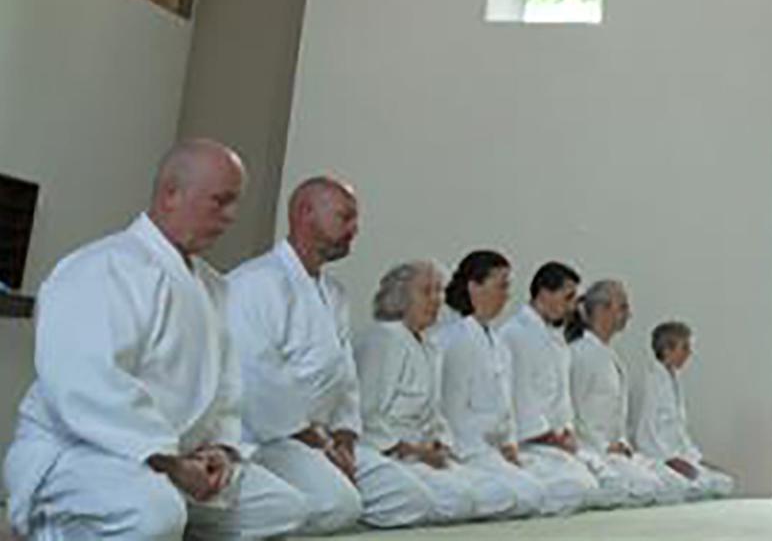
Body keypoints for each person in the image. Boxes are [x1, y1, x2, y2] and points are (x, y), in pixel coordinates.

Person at [2, 139, 308, 540]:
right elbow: (86, 385)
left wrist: (221, 450)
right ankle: (53, 524)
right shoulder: (101, 268)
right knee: (156, 514)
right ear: (170, 195)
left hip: (180, 460)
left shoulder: (214, 287)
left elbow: (225, 391)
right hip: (83, 452)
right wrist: (168, 461)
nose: (231, 216)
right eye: (221, 201)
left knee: (286, 507)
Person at [227, 177, 434, 532]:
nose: (355, 229)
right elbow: (261, 384)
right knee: (340, 505)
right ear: (305, 214)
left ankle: (315, 496)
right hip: (272, 439)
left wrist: (345, 438)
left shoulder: (334, 294)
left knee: (412, 498)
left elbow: (345, 379)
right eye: (345, 218)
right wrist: (317, 442)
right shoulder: (254, 283)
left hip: (327, 439)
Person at [354, 260, 517, 523]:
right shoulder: (384, 339)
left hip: (424, 455)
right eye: (426, 292)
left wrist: (442, 444)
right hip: (388, 453)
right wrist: (412, 451)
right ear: (401, 296)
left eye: (439, 291)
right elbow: (366, 417)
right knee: (447, 500)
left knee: (497, 494)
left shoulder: (430, 345)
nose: (436, 300)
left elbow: (436, 412)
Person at [436, 249, 567, 516]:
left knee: (550, 489)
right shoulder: (454, 339)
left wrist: (509, 445)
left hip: (496, 450)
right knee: (530, 494)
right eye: (501, 286)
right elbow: (451, 411)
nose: (507, 295)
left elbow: (505, 406)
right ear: (474, 287)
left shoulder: (497, 342)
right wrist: (473, 451)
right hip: (469, 450)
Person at [568, 280, 688, 506]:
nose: (629, 314)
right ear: (603, 310)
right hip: (592, 450)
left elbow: (618, 417)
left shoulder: (610, 356)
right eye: (623, 307)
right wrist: (603, 446)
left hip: (617, 452)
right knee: (646, 488)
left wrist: (621, 442)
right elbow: (571, 412)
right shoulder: (579, 355)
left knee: (676, 484)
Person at [498, 262, 606, 509]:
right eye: (567, 298)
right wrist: (549, 436)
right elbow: (518, 397)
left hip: (557, 442)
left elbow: (561, 396)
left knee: (605, 479)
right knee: (581, 487)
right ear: (544, 293)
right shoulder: (514, 334)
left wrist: (566, 430)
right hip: (531, 443)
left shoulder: (556, 339)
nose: (571, 308)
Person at [634, 320, 735, 500]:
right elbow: (645, 433)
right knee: (690, 486)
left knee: (723, 481)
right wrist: (669, 459)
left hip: (681, 456)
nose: (689, 353)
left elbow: (680, 431)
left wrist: (697, 458)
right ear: (667, 350)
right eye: (685, 348)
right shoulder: (651, 382)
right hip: (659, 459)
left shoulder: (674, 379)